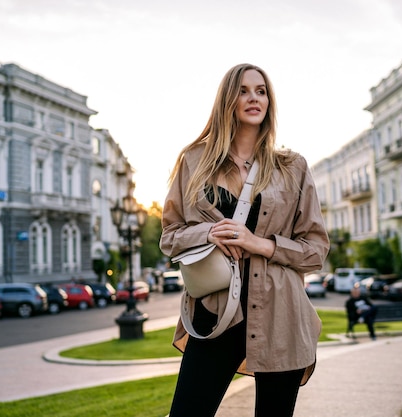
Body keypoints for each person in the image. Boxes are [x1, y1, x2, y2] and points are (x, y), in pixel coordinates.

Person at [159, 63, 330, 417]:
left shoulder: (292, 166)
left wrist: (260, 244)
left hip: (281, 314)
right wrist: (207, 232)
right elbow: (169, 238)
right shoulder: (194, 161)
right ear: (227, 100)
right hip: (216, 314)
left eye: (261, 91)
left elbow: (315, 251)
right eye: (243, 90)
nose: (254, 98)